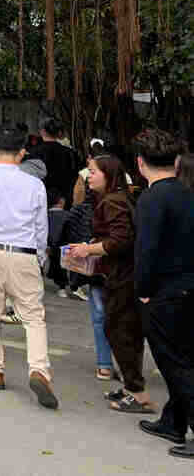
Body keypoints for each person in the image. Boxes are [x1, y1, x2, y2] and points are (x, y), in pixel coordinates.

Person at [0, 125, 57, 409]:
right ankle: (39, 369)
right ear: (22, 152)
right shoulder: (35, 185)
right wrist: (39, 257)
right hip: (24, 253)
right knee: (33, 316)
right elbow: (41, 227)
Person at [64, 153, 151, 411]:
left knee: (121, 331)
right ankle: (130, 388)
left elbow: (121, 240)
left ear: (108, 175)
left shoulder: (113, 201)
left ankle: (137, 393)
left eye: (93, 172)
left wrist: (88, 250)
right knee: (121, 330)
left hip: (123, 276)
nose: (88, 177)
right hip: (122, 274)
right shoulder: (119, 198)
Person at [130, 129, 194, 456]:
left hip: (165, 291)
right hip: (187, 286)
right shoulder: (186, 192)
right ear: (177, 161)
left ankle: (182, 422)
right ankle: (173, 421)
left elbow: (147, 250)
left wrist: (143, 290)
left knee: (175, 363)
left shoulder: (152, 198)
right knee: (183, 357)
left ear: (140, 163)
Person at [30, 119, 79, 205]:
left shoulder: (34, 152)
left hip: (40, 200)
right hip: (64, 200)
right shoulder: (70, 153)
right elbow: (73, 177)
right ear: (58, 133)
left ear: (42, 131)